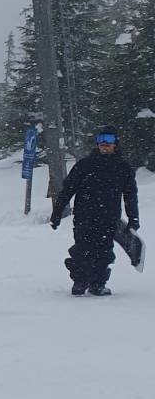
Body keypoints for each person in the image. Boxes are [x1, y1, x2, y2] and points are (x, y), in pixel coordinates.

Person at [51, 125, 140, 296]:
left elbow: (130, 196)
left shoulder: (123, 168)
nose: (104, 144)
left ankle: (97, 284)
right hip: (84, 217)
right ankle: (80, 282)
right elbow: (67, 190)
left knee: (103, 252)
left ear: (115, 143)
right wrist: (57, 213)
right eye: (101, 140)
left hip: (109, 218)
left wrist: (133, 218)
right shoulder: (85, 165)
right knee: (82, 249)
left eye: (109, 140)